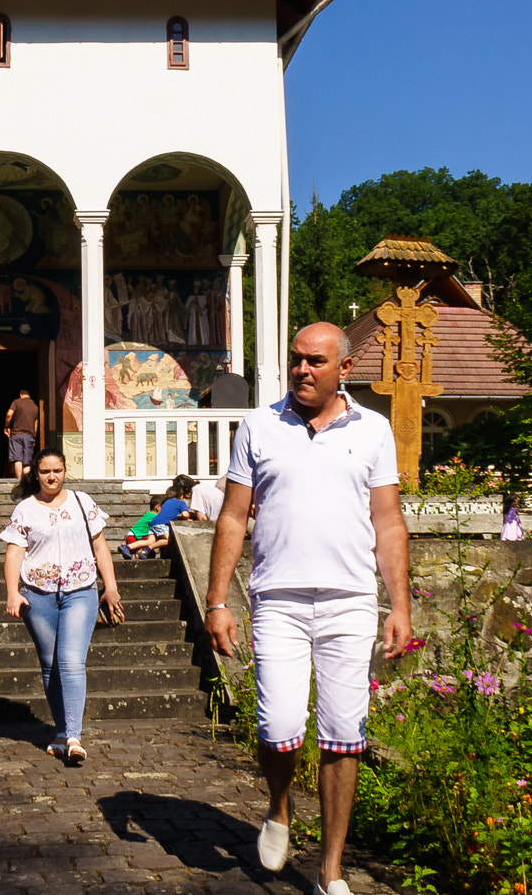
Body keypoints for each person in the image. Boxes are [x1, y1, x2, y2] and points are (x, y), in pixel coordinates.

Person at [204, 322, 413, 895]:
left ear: (343, 368)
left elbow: (389, 521)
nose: (302, 370)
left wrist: (400, 605)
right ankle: (278, 807)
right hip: (278, 600)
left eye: (315, 361)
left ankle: (330, 870)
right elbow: (232, 516)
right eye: (296, 359)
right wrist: (217, 600)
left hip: (349, 601)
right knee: (278, 729)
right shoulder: (259, 425)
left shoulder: (372, 430)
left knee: (344, 733)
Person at [1, 451, 123, 763]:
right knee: (49, 664)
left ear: (65, 471)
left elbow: (100, 545)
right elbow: (14, 553)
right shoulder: (25, 509)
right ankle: (60, 731)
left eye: (57, 470)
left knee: (70, 661)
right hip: (38, 595)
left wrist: (110, 587)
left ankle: (74, 735)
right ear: (36, 474)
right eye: (45, 471)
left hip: (79, 590)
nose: (52, 476)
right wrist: (12, 592)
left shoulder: (81, 502)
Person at [4, 388, 40, 478]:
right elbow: (36, 423)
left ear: (21, 395)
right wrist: (34, 436)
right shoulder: (35, 407)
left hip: (16, 434)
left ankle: (19, 480)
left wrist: (7, 426)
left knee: (17, 459)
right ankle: (25, 481)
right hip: (29, 436)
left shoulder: (17, 402)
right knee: (27, 462)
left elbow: (9, 414)